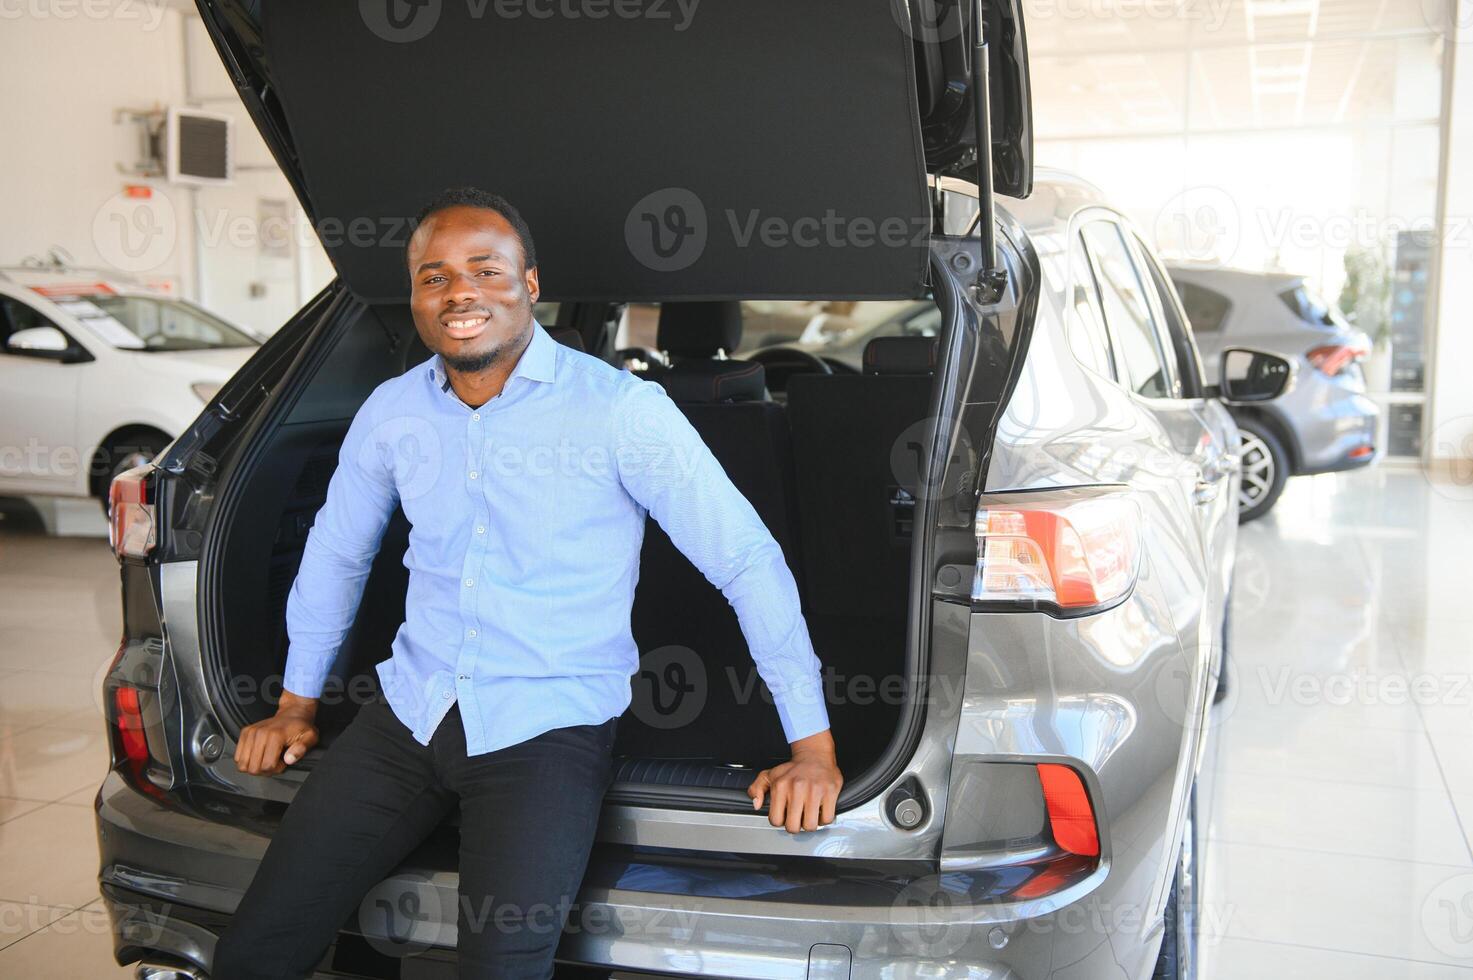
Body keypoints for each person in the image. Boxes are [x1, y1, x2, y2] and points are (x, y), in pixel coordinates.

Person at [211, 187, 842, 979]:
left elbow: (745, 560)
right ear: (414, 297)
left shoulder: (620, 411)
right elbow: (336, 553)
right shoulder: (391, 410)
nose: (461, 292)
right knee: (258, 943)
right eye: (434, 277)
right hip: (410, 711)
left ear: (530, 286)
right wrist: (296, 704)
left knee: (502, 965)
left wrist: (810, 748)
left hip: (547, 725)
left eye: (486, 270)